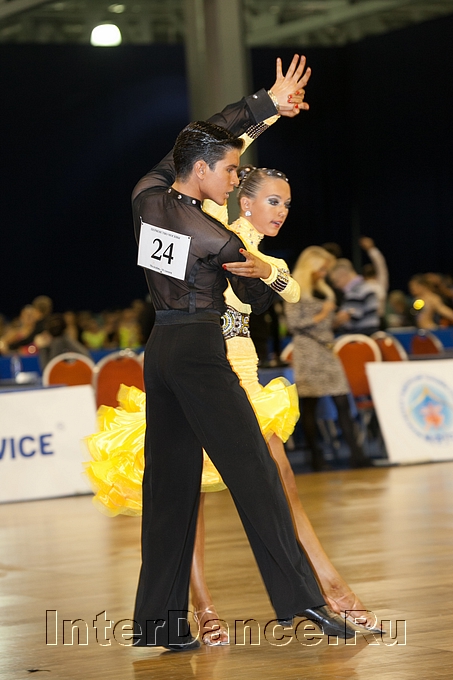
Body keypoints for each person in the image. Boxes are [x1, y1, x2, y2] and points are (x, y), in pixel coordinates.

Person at [128, 55, 359, 650]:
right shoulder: (218, 237)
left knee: (170, 486)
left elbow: (203, 135)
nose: (235, 179)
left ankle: (159, 623)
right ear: (202, 170)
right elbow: (256, 293)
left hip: (161, 349)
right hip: (201, 354)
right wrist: (261, 273)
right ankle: (306, 602)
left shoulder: (148, 194)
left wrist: (263, 107)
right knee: (257, 475)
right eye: (230, 171)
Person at [284, 247, 372, 471]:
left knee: (342, 401)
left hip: (327, 349)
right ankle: (316, 458)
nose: (324, 273)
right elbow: (293, 323)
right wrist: (322, 314)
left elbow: (325, 324)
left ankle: (357, 455)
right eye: (321, 268)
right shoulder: (294, 288)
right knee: (310, 404)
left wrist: (336, 319)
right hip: (308, 352)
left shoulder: (324, 289)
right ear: (311, 267)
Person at [330, 259, 379, 336]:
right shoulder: (365, 286)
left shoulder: (355, 292)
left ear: (343, 275)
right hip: (369, 335)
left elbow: (347, 319)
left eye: (336, 281)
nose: (336, 285)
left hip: (360, 338)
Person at [360, 236, 389, 323]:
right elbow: (381, 267)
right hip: (376, 319)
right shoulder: (379, 285)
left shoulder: (361, 286)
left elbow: (381, 267)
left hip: (367, 320)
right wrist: (371, 249)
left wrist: (371, 249)